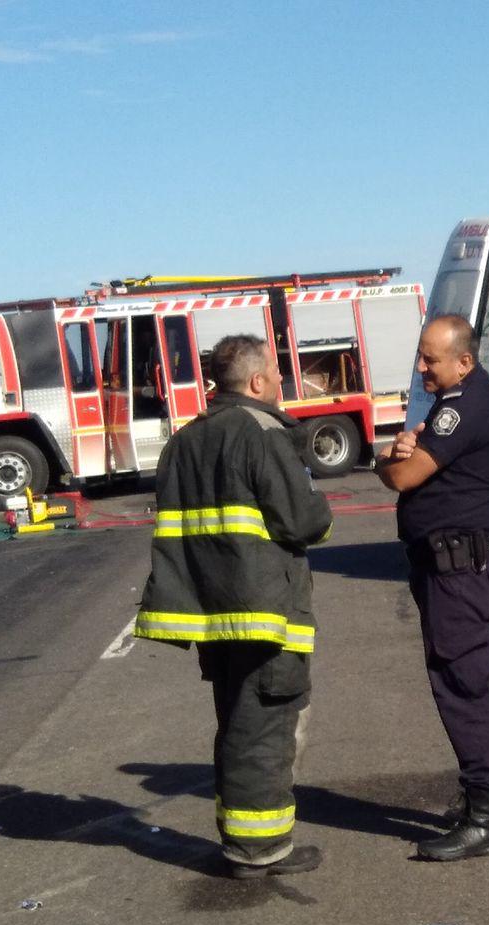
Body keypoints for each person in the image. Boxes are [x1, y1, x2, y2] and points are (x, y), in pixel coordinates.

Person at [134, 334, 332, 878]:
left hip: (214, 619)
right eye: (276, 375)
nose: (281, 386)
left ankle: (243, 841)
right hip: (266, 616)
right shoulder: (262, 434)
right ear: (258, 382)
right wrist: (322, 509)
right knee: (265, 729)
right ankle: (259, 850)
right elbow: (303, 522)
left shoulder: (185, 441)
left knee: (235, 726)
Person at [377, 314, 489, 862]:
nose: (421, 367)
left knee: (466, 687)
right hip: (452, 568)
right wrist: (396, 455)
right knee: (466, 682)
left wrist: (389, 460)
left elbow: (405, 476)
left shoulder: (465, 405)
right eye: (420, 354)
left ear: (464, 359)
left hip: (460, 572)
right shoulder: (456, 398)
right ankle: (487, 806)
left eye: (430, 358)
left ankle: (486, 819)